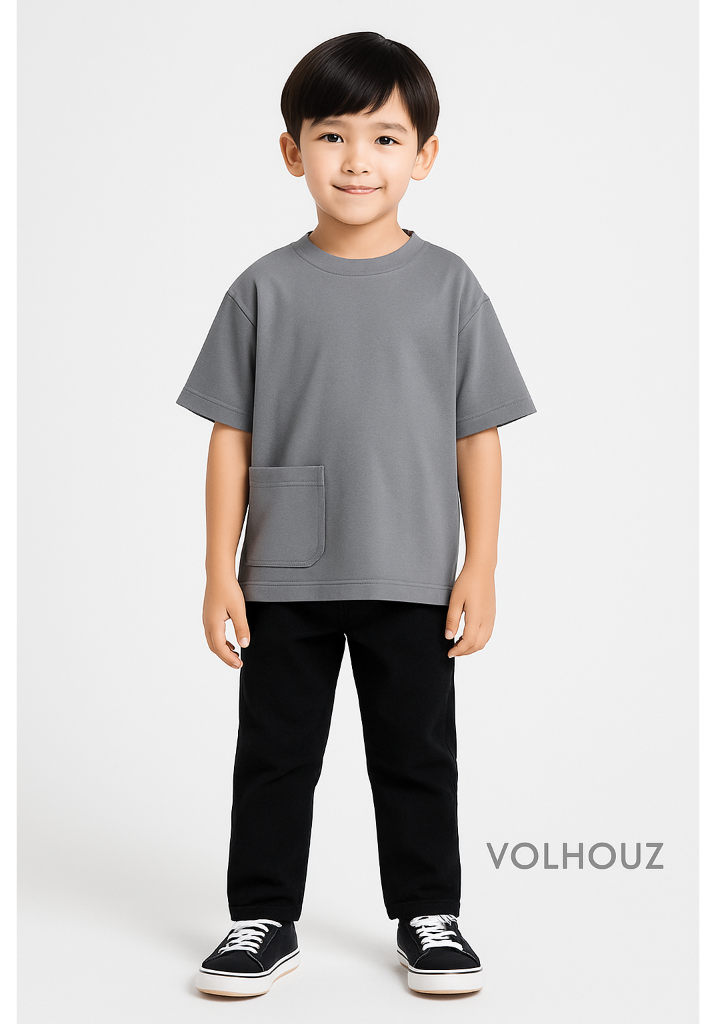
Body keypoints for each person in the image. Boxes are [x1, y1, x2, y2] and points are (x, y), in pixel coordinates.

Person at [176, 31, 535, 998]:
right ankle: (261, 917)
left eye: (385, 138)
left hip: (413, 569)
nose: (356, 161)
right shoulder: (262, 288)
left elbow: (478, 436)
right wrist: (217, 571)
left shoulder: (450, 286)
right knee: (274, 755)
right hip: (284, 572)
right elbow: (229, 438)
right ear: (292, 151)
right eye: (332, 136)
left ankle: (429, 913)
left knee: (415, 756)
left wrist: (480, 566)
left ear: (425, 155)